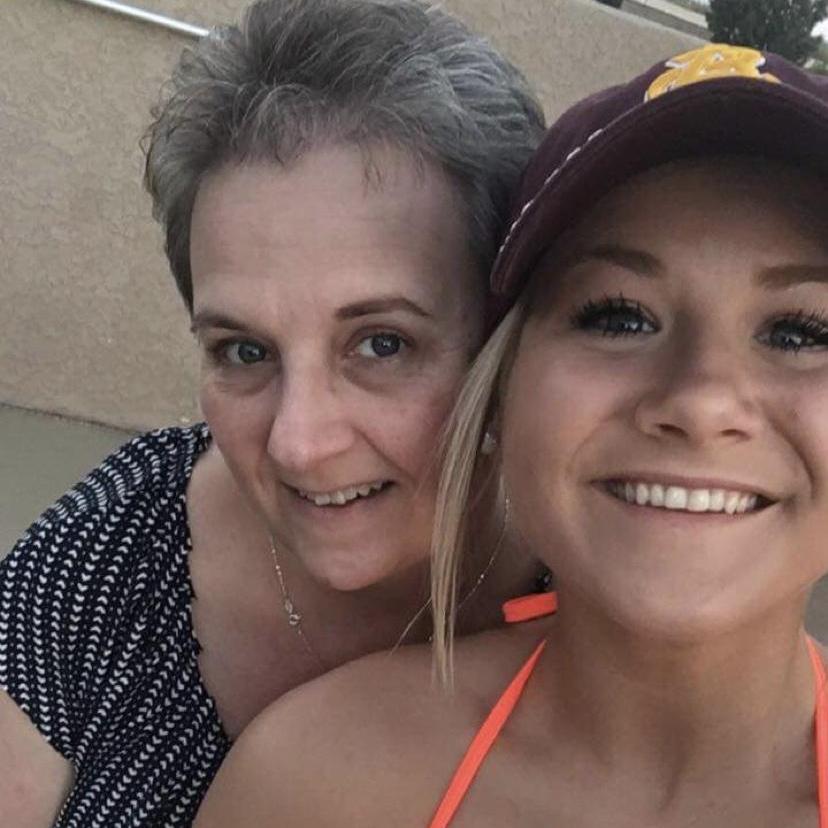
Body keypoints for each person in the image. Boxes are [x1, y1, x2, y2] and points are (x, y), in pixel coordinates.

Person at [195, 43, 828, 827]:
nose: (702, 400)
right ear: (497, 392)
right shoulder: (316, 781)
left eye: (800, 332)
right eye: (619, 317)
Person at [0, 1, 546, 825]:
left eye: (382, 344)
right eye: (245, 351)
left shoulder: (612, 599)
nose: (299, 443)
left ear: (504, 339)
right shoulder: (101, 560)